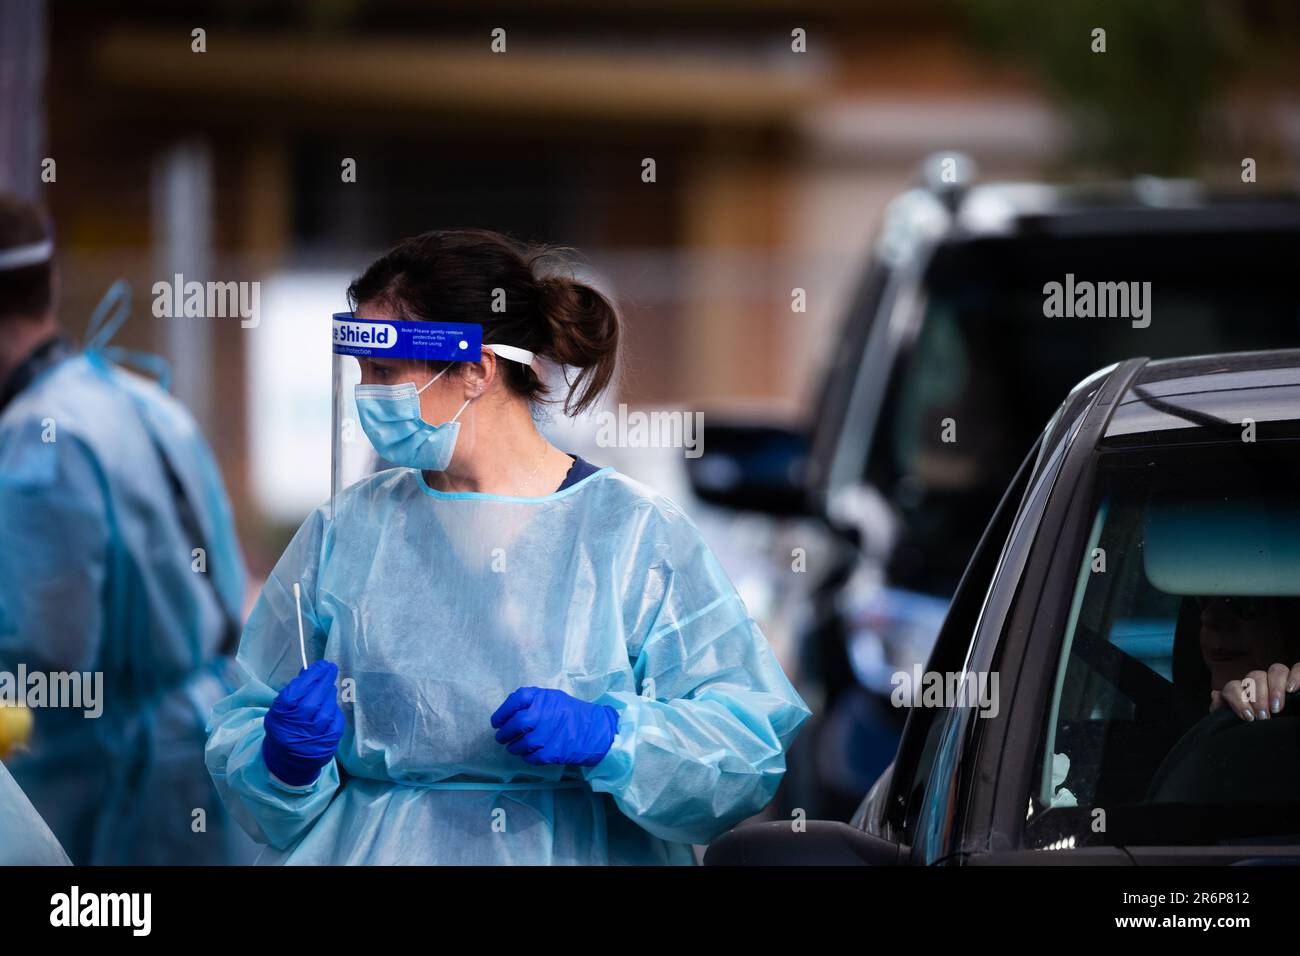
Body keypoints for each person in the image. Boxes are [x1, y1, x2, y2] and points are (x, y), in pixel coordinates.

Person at [206, 228, 812, 864]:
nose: (368, 393)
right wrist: (282, 762)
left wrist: (614, 737)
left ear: (476, 368)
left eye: (385, 371)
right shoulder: (347, 531)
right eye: (361, 371)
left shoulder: (632, 534)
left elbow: (744, 750)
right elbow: (247, 719)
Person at [0, 193, 255, 864]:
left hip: (124, 783)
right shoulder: (142, 397)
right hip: (204, 743)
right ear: (50, 283)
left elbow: (50, 652)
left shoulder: (39, 437)